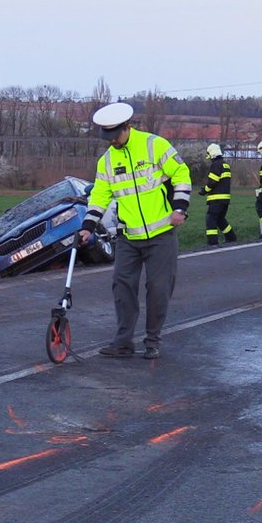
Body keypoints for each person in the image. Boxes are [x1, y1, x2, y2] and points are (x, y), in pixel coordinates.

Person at [78, 102, 191, 360]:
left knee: (158, 288)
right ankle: (123, 342)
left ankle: (152, 340)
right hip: (128, 237)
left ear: (127, 127)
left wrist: (180, 208)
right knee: (122, 285)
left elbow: (181, 173)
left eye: (115, 135)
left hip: (161, 234)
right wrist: (87, 226)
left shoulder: (154, 145)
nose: (112, 141)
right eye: (108, 137)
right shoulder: (106, 161)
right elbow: (99, 196)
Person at [199, 143, 237, 245]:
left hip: (216, 199)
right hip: (225, 199)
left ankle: (212, 242)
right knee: (220, 219)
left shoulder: (216, 165)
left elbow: (212, 181)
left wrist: (204, 190)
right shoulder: (225, 165)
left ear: (212, 154)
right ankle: (231, 237)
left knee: (210, 219)